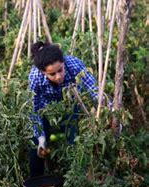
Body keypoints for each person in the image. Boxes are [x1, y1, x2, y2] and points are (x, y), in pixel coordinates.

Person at [28, 41, 98, 177]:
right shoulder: (35, 77)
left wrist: (110, 110)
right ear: (43, 73)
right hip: (46, 109)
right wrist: (40, 136)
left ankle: (73, 176)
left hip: (70, 106)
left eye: (60, 70)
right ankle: (36, 180)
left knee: (74, 142)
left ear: (63, 63)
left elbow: (94, 90)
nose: (58, 76)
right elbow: (34, 109)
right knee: (37, 145)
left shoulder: (74, 64)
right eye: (52, 74)